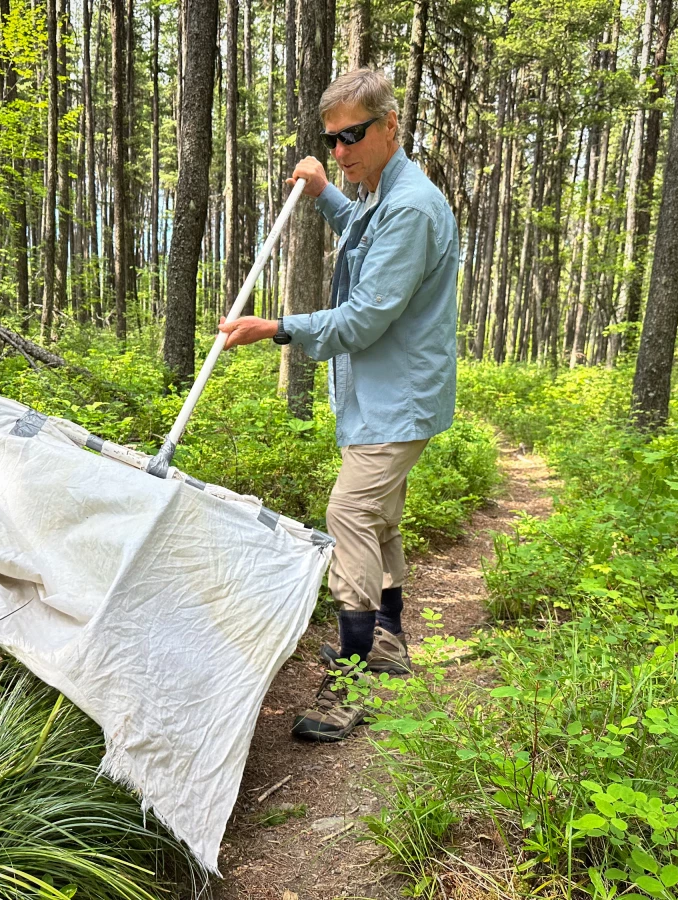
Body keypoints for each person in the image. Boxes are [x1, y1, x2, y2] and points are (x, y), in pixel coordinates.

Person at [218, 68, 459, 742]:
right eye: (332, 140)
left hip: (397, 397)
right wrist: (326, 195)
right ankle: (384, 643)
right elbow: (364, 234)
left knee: (348, 512)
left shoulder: (411, 206)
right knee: (377, 519)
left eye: (352, 136)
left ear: (389, 126)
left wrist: (278, 328)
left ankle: (351, 682)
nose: (341, 150)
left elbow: (365, 317)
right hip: (381, 398)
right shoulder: (388, 194)